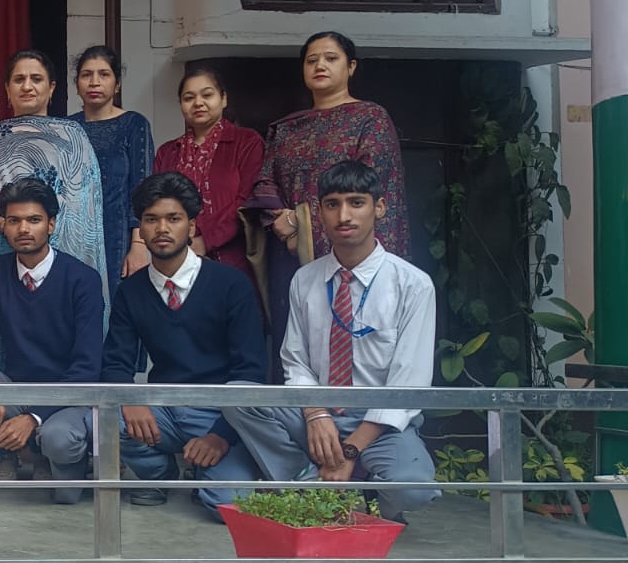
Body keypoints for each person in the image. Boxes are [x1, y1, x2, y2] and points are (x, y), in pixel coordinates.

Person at [223, 161, 439, 523]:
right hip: (318, 414)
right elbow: (295, 360)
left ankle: (370, 496)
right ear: (318, 212)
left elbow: (408, 384)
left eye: (357, 203)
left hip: (379, 423)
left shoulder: (412, 285)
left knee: (413, 490)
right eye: (332, 204)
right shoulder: (305, 279)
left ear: (379, 208)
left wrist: (350, 450)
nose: (344, 215)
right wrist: (316, 413)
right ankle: (310, 484)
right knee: (237, 397)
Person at [101, 173, 266, 517]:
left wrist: (220, 436)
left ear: (191, 227)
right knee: (104, 419)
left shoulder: (230, 284)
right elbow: (116, 362)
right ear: (141, 230)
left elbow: (251, 371)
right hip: (162, 409)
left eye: (173, 219)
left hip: (221, 414)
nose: (162, 228)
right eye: (151, 219)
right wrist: (129, 400)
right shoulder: (131, 291)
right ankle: (160, 475)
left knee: (226, 506)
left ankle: (208, 470)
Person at [0, 178, 105, 503]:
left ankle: (46, 453)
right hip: (15, 391)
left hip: (67, 399)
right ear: (4, 225)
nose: (23, 228)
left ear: (51, 224)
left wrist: (33, 418)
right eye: (14, 220)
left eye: (34, 220)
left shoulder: (82, 279)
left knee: (64, 488)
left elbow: (86, 369)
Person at [245, 31, 408, 343]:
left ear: (351, 67)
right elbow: (265, 181)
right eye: (311, 60)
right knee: (299, 345)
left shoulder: (370, 119)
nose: (320, 65)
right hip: (292, 256)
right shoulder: (286, 128)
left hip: (353, 254)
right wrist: (288, 229)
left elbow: (369, 186)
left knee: (357, 344)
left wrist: (303, 225)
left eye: (331, 58)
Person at [0, 49, 106, 291]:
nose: (27, 86)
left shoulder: (73, 136)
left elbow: (84, 202)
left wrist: (45, 226)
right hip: (1, 252)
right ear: (7, 88)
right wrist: (1, 219)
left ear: (51, 88)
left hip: (60, 253)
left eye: (36, 79)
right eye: (19, 79)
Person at [153, 62, 265, 293]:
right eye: (189, 98)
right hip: (177, 260)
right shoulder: (167, 152)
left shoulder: (246, 142)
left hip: (233, 257)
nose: (198, 103)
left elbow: (248, 199)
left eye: (207, 95)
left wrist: (206, 239)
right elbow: (157, 205)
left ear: (223, 99)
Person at [67, 46, 154, 286]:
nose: (94, 82)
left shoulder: (134, 124)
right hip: (72, 235)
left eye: (104, 74)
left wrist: (139, 245)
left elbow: (143, 188)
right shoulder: (66, 127)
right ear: (76, 85)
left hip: (118, 236)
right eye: (86, 75)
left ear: (117, 85)